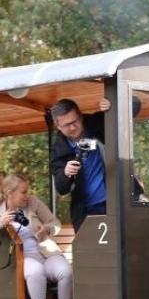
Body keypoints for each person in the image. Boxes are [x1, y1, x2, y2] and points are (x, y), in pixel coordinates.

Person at [50, 97, 112, 234]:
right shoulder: (57, 150)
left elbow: (133, 106)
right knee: (92, 254)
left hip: (117, 203)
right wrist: (66, 173)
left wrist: (112, 105)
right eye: (66, 125)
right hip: (86, 211)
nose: (72, 127)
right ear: (58, 125)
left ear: (80, 115)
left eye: (74, 122)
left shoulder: (99, 123)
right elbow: (61, 188)